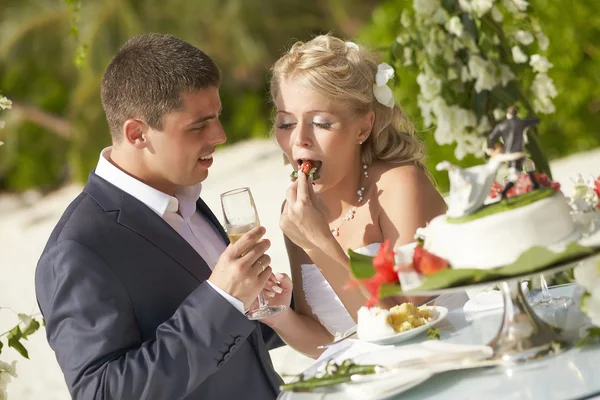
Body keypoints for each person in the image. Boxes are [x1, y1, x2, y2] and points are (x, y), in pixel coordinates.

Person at [34, 33, 290, 400]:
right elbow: (103, 392)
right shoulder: (76, 251)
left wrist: (274, 309)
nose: (219, 135)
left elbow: (229, 341)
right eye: (198, 125)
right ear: (137, 134)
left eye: (217, 117)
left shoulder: (182, 194)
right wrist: (222, 299)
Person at [257, 35, 448, 358]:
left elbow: (403, 330)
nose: (299, 140)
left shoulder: (400, 186)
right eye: (286, 123)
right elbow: (330, 342)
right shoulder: (298, 211)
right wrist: (278, 314)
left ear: (363, 127)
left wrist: (318, 243)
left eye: (319, 123)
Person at [486, 105, 540, 198]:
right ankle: (503, 193)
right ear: (516, 113)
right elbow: (535, 120)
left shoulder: (501, 125)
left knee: (529, 164)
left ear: (507, 114)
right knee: (515, 176)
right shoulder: (521, 122)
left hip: (510, 153)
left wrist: (489, 148)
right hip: (516, 153)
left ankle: (535, 184)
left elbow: (491, 137)